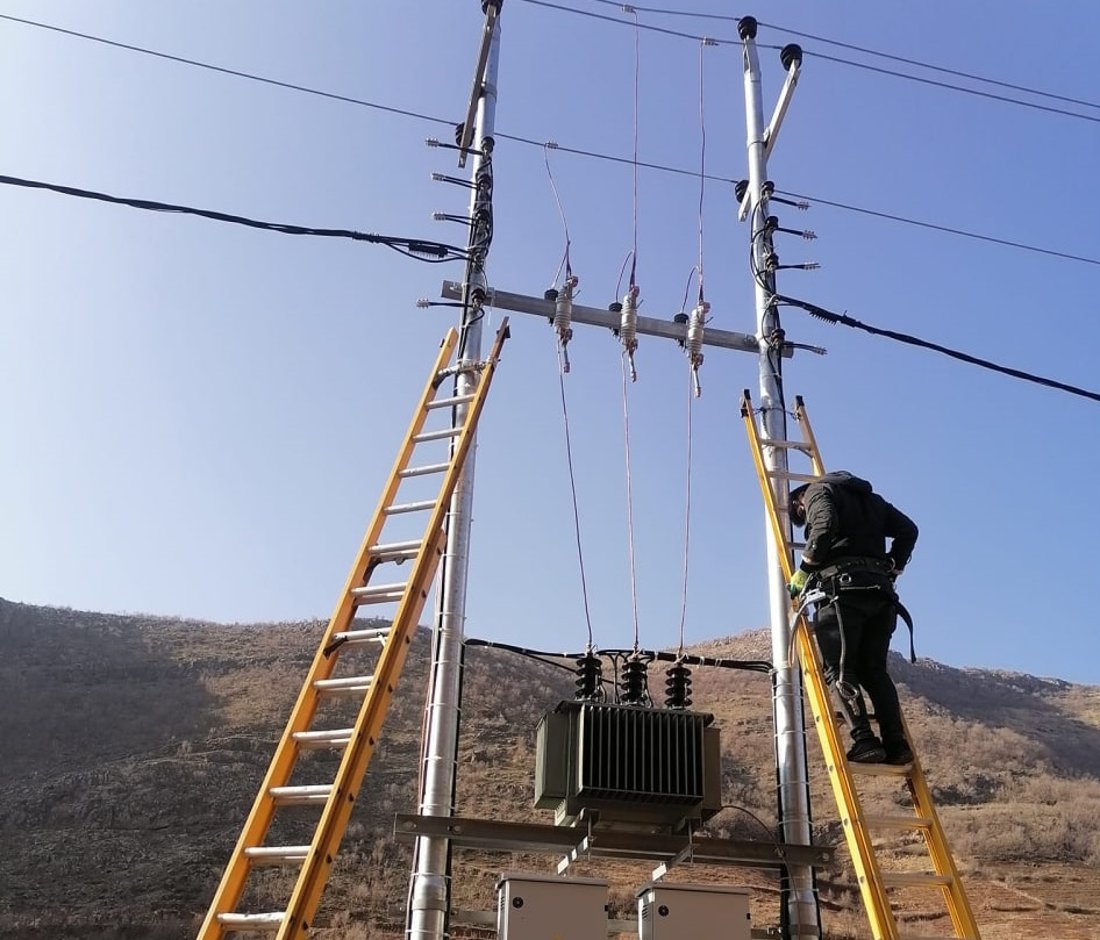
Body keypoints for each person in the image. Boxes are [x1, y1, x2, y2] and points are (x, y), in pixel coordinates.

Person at [787, 471, 918, 765]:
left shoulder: (817, 493)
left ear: (799, 500)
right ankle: (896, 746)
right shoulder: (872, 500)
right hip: (880, 596)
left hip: (842, 596)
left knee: (839, 670)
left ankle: (865, 740)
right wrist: (893, 565)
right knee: (874, 671)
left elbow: (824, 526)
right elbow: (909, 530)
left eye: (800, 513)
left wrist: (805, 569)